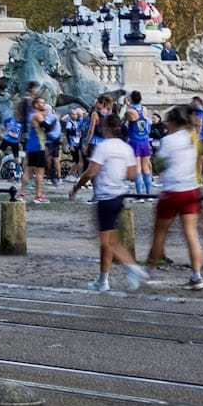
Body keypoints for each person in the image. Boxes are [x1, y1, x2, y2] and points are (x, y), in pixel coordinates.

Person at [69, 115, 152, 294]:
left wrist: (76, 188)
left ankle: (133, 269)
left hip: (106, 197)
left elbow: (91, 172)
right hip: (119, 196)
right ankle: (103, 279)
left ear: (106, 127)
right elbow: (132, 174)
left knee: (106, 241)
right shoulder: (126, 148)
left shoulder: (103, 147)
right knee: (109, 240)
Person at [144, 105, 203, 290]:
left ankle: (150, 271)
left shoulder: (168, 140)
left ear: (172, 122)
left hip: (172, 191)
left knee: (160, 234)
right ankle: (196, 276)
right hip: (191, 189)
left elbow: (161, 165)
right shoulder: (191, 137)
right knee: (191, 234)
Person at [19, 95, 51, 204]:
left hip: (31, 146)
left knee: (28, 171)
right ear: (36, 105)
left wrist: (44, 114)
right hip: (38, 146)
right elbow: (48, 127)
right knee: (39, 172)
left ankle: (21, 194)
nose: (44, 104)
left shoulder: (31, 115)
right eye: (42, 103)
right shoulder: (37, 115)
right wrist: (54, 119)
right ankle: (38, 196)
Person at [123, 91, 154, 197]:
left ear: (131, 99)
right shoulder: (144, 109)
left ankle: (140, 193)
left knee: (138, 168)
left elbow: (123, 117)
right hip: (145, 140)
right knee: (146, 167)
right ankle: (149, 193)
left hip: (134, 141)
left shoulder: (130, 111)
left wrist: (125, 105)